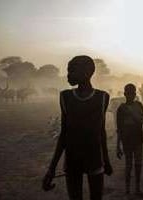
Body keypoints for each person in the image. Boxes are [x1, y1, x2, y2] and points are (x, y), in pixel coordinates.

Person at [42, 55, 113, 200]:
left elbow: (101, 132)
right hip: (72, 159)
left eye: (71, 70)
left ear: (87, 72)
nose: (68, 75)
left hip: (94, 158)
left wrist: (106, 160)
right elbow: (64, 134)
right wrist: (51, 169)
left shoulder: (102, 97)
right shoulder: (65, 97)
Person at [116, 83, 143, 196]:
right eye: (129, 93)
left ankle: (137, 189)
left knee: (138, 164)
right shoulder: (121, 109)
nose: (131, 95)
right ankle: (128, 190)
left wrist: (136, 115)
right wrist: (118, 145)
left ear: (135, 94)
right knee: (128, 165)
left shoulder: (138, 105)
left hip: (137, 138)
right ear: (125, 94)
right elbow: (119, 128)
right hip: (127, 140)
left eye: (132, 93)